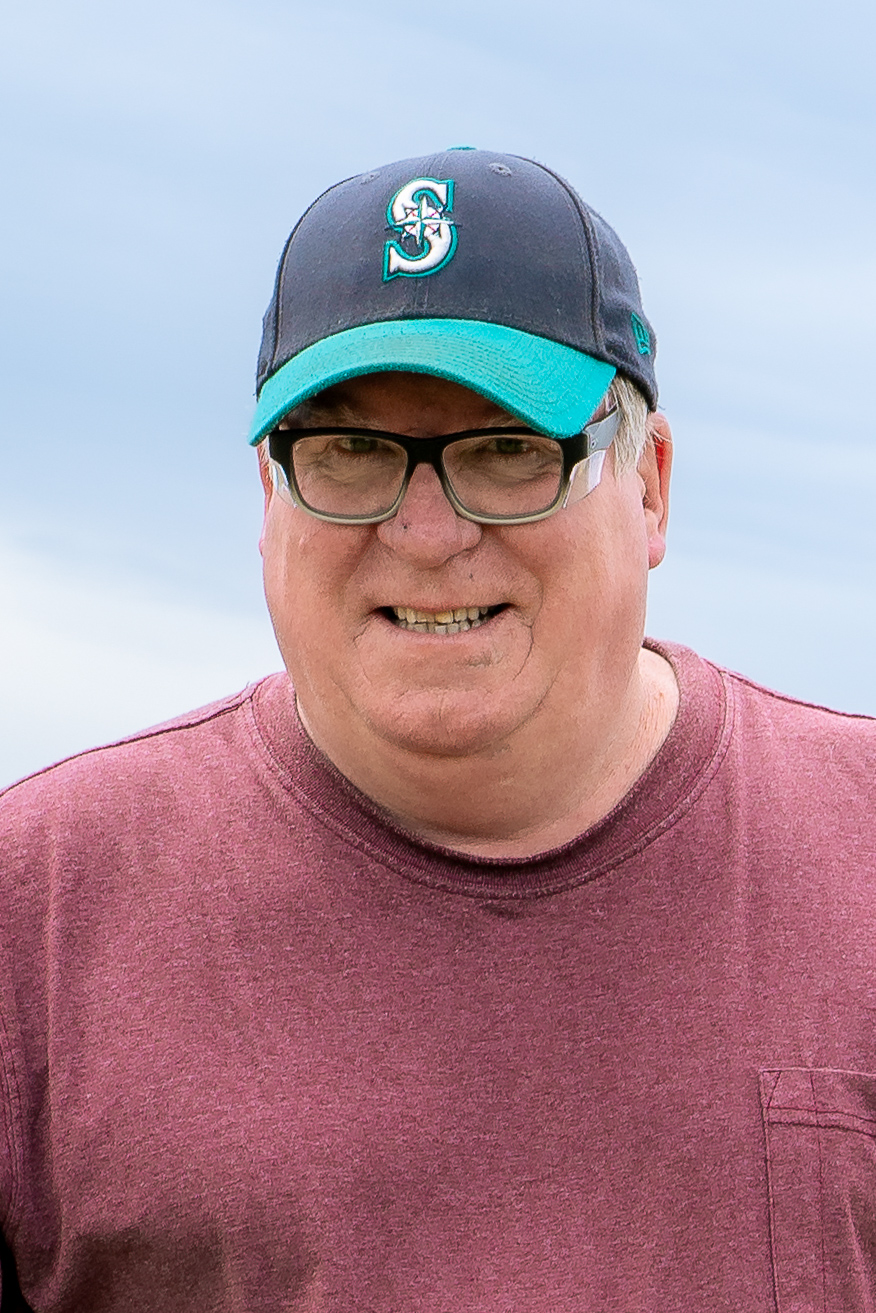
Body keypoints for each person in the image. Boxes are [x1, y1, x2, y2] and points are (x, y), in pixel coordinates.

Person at [1, 148, 875, 1312]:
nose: (423, 531)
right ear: (269, 497)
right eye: (349, 451)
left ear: (651, 485)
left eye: (509, 447)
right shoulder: (38, 912)